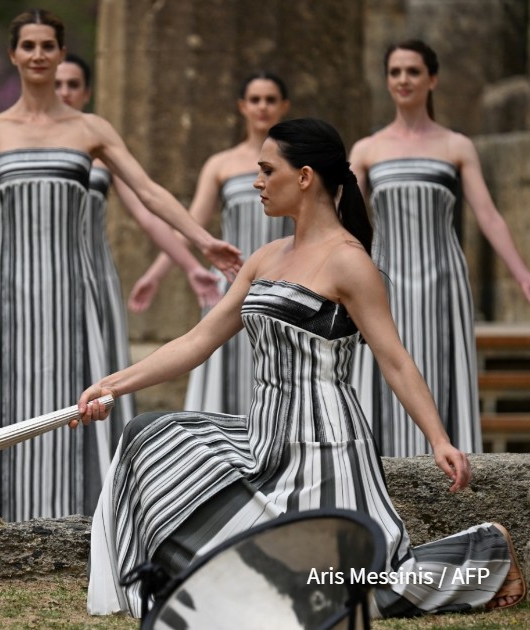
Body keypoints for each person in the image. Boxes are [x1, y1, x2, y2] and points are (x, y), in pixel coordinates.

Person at [77, 118, 525, 618]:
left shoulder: (349, 262)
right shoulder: (265, 258)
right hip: (262, 442)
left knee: (334, 593)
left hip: (324, 452)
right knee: (148, 436)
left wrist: (438, 438)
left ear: (305, 176)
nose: (257, 183)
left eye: (268, 171)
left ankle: (484, 553)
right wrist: (111, 385)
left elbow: (394, 360)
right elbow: (199, 340)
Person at [0, 9, 242, 523]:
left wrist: (203, 241)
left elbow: (148, 192)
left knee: (80, 397)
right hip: (7, 291)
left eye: (47, 46)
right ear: (14, 54)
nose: (38, 55)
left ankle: (88, 517)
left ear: (60, 53)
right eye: (28, 46)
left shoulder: (89, 129)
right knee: (6, 398)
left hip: (73, 290)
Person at [0, 53, 220, 456]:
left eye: (74, 85)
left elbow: (147, 212)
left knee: (91, 377)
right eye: (60, 84)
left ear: (87, 92)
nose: (65, 91)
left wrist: (189, 265)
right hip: (23, 282)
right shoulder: (15, 148)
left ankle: (96, 474)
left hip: (88, 281)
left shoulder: (101, 148)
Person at [349, 40, 530, 457]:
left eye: (412, 71)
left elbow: (488, 215)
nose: (403, 80)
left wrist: (522, 275)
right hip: (384, 283)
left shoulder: (456, 146)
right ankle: (381, 470)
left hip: (444, 282)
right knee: (384, 371)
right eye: (395, 72)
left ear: (432, 79)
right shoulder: (366, 150)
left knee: (443, 370)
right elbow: (348, 223)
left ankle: (453, 468)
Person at [128, 71, 293, 415]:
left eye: (270, 100)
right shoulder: (221, 164)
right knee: (223, 371)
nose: (262, 107)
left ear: (283, 107)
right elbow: (192, 224)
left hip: (285, 284)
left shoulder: (297, 164)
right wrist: (156, 274)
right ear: (242, 107)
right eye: (255, 100)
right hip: (231, 285)